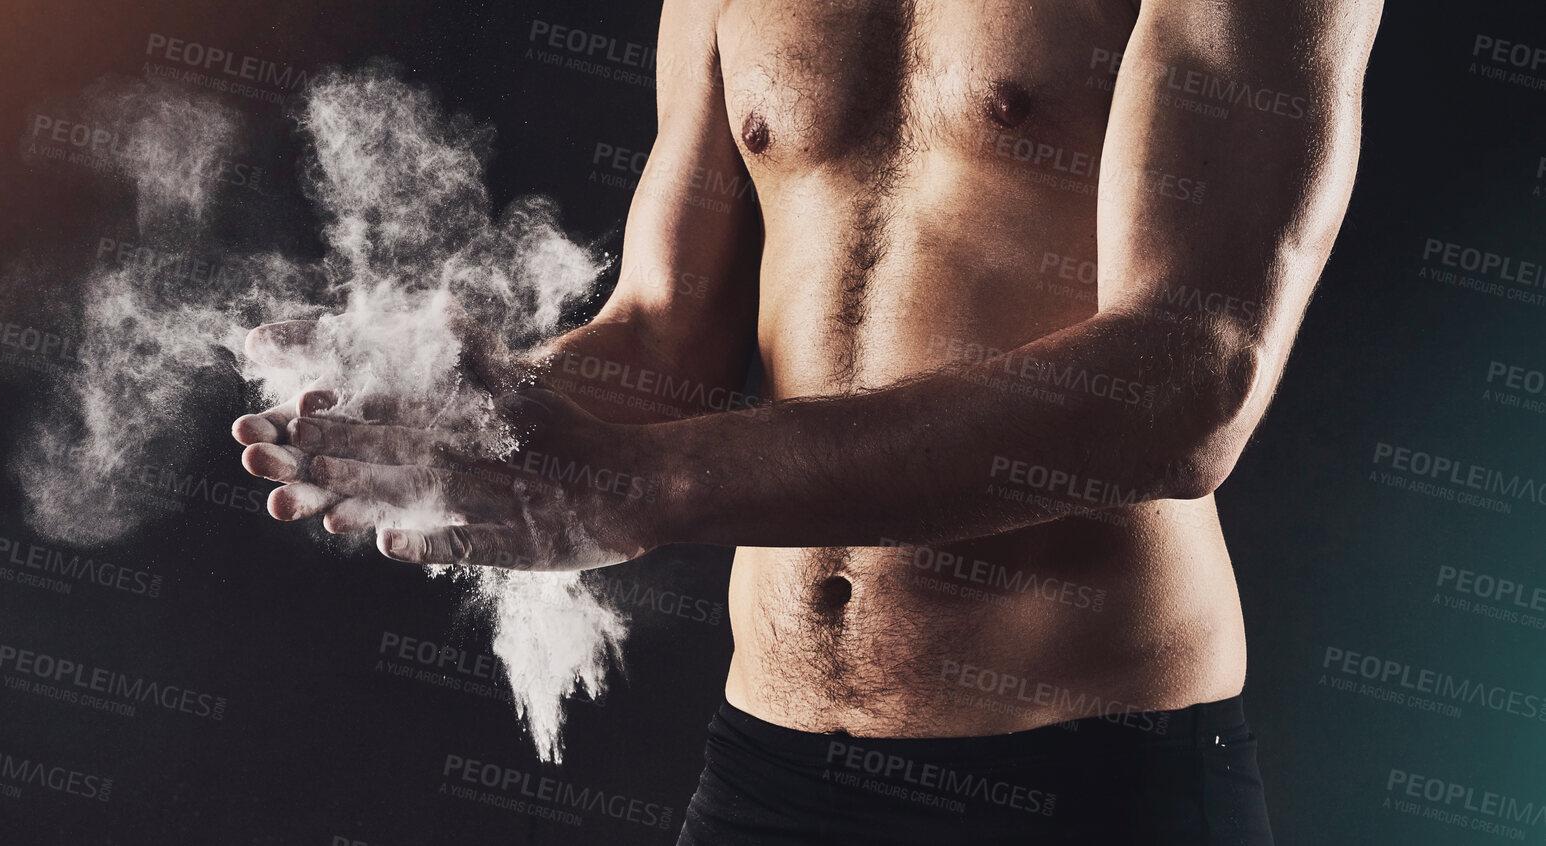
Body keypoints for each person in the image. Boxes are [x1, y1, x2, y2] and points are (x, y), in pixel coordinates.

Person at [229, 0, 1384, 842]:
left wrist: (645, 487)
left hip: (1080, 775)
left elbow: (1188, 381)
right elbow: (662, 328)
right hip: (770, 772)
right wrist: (480, 418)